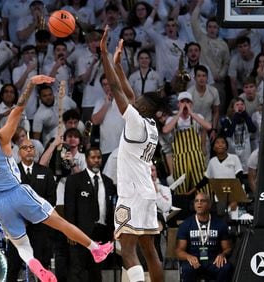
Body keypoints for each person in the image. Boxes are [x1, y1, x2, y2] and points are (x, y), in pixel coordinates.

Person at [0, 74, 113, 282]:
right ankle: (95, 249)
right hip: (17, 192)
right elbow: (19, 109)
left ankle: (35, 266)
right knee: (59, 223)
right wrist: (30, 84)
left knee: (21, 245)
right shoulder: (1, 139)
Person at [100, 26, 164, 282]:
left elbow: (116, 90)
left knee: (126, 250)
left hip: (132, 193)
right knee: (150, 251)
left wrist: (103, 53)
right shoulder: (150, 125)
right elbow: (128, 92)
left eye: (138, 103)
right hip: (146, 192)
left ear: (143, 109)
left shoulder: (136, 121)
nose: (133, 102)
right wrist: (119, 66)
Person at [5, 137, 57, 281]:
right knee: (13, 267)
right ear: (19, 152)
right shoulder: (11, 172)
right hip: (18, 228)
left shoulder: (45, 172)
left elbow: (51, 199)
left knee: (42, 267)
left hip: (40, 227)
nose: (29, 150)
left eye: (31, 147)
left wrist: (35, 215)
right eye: (25, 148)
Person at [64, 147, 117, 282]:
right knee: (77, 269)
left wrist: (112, 232)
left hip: (102, 232)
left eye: (98, 158)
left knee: (96, 271)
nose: (96, 161)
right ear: (87, 159)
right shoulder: (74, 180)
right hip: (80, 232)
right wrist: (70, 231)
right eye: (93, 158)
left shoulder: (108, 182)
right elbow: (69, 208)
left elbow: (111, 208)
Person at [175, 193, 233, 282]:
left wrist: (222, 254)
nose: (199, 203)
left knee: (226, 268)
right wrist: (188, 257)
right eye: (196, 201)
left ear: (209, 204)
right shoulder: (185, 225)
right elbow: (179, 250)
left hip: (213, 260)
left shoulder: (220, 224)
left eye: (202, 201)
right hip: (194, 260)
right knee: (187, 269)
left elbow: (227, 248)